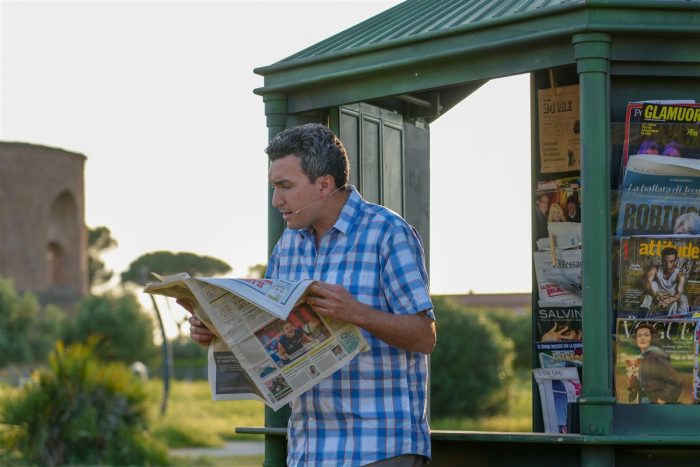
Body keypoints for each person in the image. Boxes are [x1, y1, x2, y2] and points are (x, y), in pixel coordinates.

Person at [182, 123, 436, 467]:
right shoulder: (288, 246)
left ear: (324, 185)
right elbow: (267, 336)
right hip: (308, 451)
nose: (276, 200)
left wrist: (357, 313)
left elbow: (424, 336)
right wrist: (215, 332)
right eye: (274, 187)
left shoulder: (388, 233)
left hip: (379, 448)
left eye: (286, 186)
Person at [626, 323, 682, 404]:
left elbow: (675, 382)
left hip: (654, 404)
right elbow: (649, 384)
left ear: (652, 338)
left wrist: (663, 399)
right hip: (645, 403)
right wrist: (634, 384)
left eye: (646, 335)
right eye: (639, 335)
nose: (642, 338)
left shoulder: (656, 357)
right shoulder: (645, 357)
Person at [639, 246, 689, 317]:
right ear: (662, 260)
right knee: (651, 285)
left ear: (675, 260)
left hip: (671, 294)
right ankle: (642, 315)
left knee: (683, 298)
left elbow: (679, 293)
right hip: (657, 292)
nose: (668, 265)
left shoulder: (680, 275)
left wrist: (670, 299)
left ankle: (683, 320)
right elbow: (647, 281)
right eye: (665, 261)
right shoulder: (655, 268)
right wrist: (655, 295)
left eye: (671, 261)